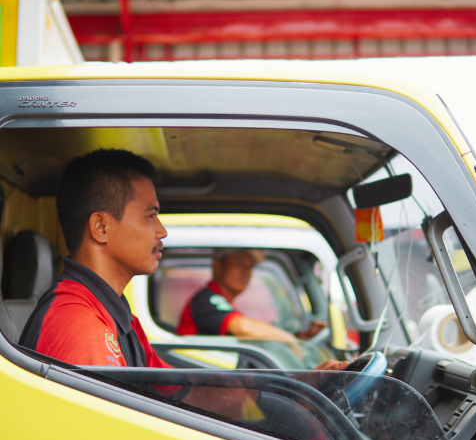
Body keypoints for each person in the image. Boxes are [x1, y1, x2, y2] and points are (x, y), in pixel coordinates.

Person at [20, 148, 346, 374]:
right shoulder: (80, 325)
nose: (162, 231)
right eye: (150, 216)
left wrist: (292, 387)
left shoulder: (117, 315)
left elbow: (174, 389)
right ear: (101, 227)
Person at [177, 248, 328, 342]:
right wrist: (289, 341)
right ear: (218, 266)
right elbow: (243, 328)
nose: (246, 272)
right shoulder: (207, 299)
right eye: (238, 264)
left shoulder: (222, 302)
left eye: (249, 266)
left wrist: (300, 337)